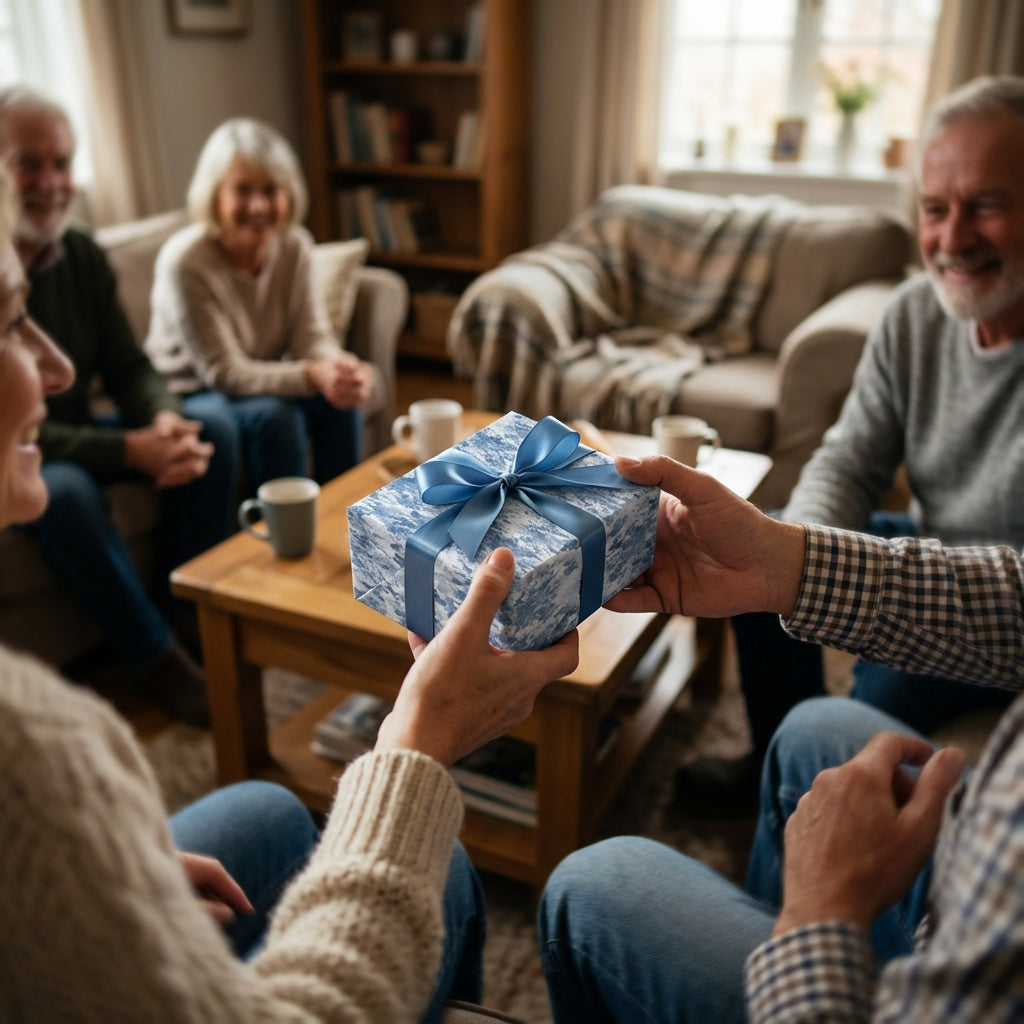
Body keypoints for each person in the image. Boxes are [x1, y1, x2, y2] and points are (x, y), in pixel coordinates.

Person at [0, 160, 581, 1019]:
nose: (53, 367)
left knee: (273, 808)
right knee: (443, 862)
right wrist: (413, 748)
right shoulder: (32, 754)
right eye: (13, 323)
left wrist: (124, 872)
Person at [539, 452, 1023, 1023]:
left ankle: (783, 962)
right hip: (975, 872)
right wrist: (784, 560)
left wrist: (822, 915)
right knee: (813, 725)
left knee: (591, 885)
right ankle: (763, 935)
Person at [677, 73, 1024, 817]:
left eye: (987, 206)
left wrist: (827, 582)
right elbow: (850, 455)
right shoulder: (913, 315)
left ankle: (809, 788)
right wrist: (794, 551)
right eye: (936, 209)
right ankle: (778, 761)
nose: (953, 238)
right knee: (759, 546)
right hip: (936, 541)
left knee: (861, 716)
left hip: (999, 609)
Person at [0, 86, 239, 728]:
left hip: (76, 429)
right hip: (26, 449)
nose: (51, 182)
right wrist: (129, 449)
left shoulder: (79, 252)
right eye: (29, 162)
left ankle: (182, 610)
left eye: (62, 163)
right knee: (68, 492)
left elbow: (127, 364)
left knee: (208, 426)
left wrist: (161, 418)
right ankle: (155, 657)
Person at [146, 116, 372, 491]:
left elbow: (310, 335)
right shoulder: (185, 262)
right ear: (215, 195)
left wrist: (336, 370)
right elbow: (223, 372)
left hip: (252, 375)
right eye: (243, 190)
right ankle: (284, 543)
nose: (258, 205)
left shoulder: (294, 244)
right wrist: (311, 375)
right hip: (191, 392)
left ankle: (346, 524)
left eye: (271, 190)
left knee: (338, 403)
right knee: (276, 417)